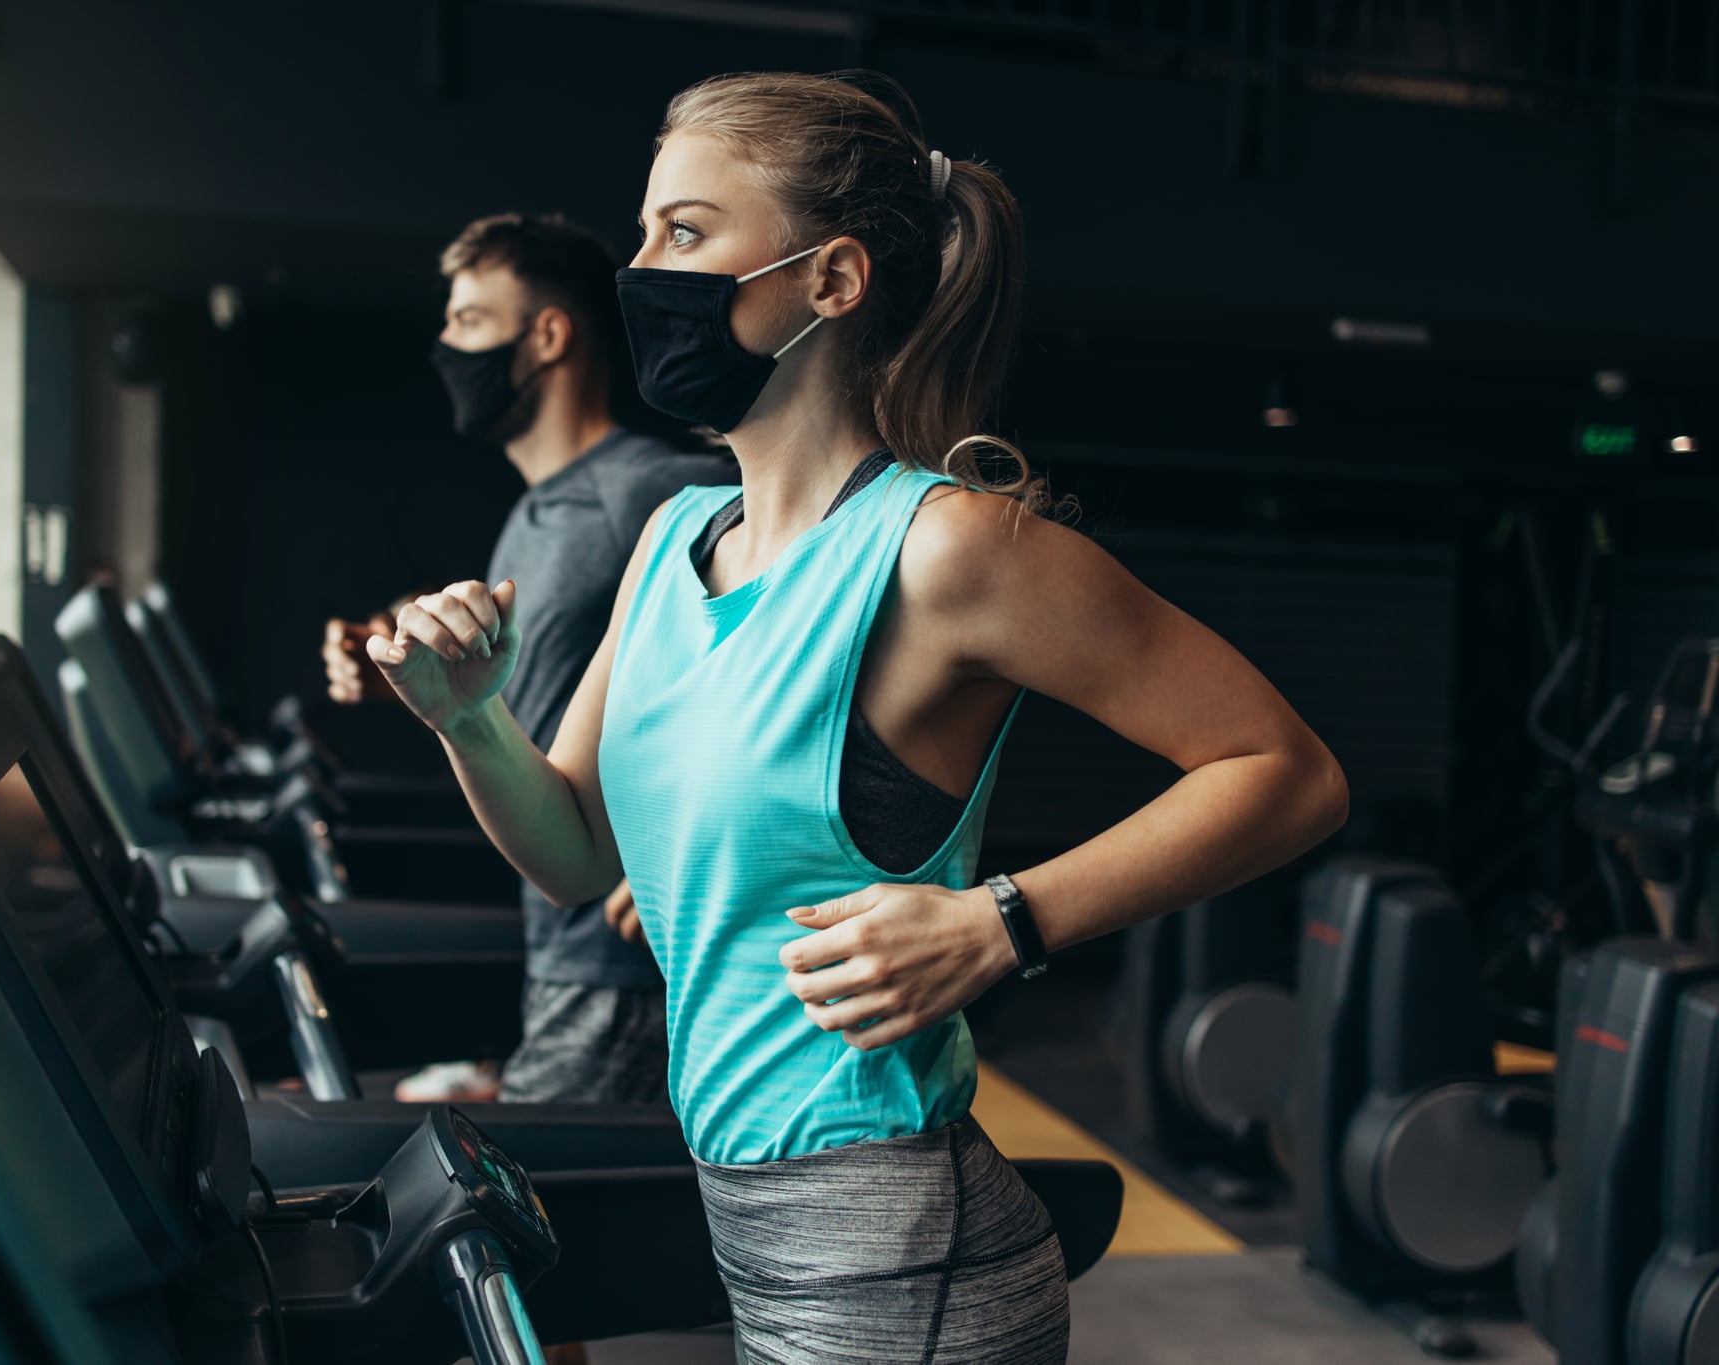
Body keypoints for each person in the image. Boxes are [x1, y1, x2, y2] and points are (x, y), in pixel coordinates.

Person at [364, 71, 1349, 1363]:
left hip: (902, 1254)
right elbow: (571, 853)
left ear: (831, 281)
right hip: (757, 1227)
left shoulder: (950, 552)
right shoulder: (671, 543)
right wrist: (467, 717)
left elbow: (1286, 769)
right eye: (650, 230)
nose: (643, 271)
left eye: (689, 234)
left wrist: (1006, 921)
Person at [322, 212, 735, 1107]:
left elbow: (806, 646)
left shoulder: (653, 492)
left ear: (546, 335)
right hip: (559, 939)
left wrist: (696, 844)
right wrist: (401, 662)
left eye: (469, 322)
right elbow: (544, 697)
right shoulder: (539, 511)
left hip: (617, 966)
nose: (446, 347)